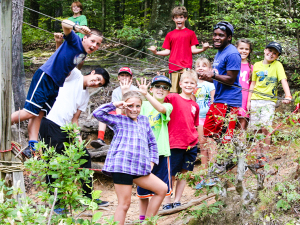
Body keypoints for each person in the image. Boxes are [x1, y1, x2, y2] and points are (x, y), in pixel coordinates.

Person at [11, 20, 103, 158]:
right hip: (46, 76)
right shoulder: (75, 40)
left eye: (98, 44)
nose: (94, 45)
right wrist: (77, 28)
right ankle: (4, 121)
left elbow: (61, 55)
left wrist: (58, 43)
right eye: (93, 41)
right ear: (85, 37)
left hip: (56, 84)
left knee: (40, 113)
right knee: (30, 112)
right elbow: (64, 24)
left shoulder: (83, 54)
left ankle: (32, 145)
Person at [39, 67, 110, 214]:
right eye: (96, 79)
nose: (95, 83)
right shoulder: (74, 76)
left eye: (99, 84)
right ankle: (56, 203)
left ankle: (87, 197)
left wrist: (77, 137)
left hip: (67, 129)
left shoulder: (85, 96)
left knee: (84, 157)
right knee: (53, 163)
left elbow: (75, 118)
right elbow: (64, 60)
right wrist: (62, 43)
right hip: (50, 123)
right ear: (92, 72)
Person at [93, 91, 167, 225]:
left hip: (139, 167)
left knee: (162, 189)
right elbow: (97, 114)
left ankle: (148, 222)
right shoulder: (119, 120)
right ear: (124, 106)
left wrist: (152, 162)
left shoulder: (144, 120)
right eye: (130, 106)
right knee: (124, 204)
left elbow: (152, 143)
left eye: (137, 106)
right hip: (122, 167)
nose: (134, 109)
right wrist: (115, 104)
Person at [247, 41, 292, 168]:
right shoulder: (256, 65)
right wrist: (249, 101)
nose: (271, 54)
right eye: (270, 51)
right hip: (255, 100)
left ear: (277, 56)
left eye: (275, 53)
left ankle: (265, 157)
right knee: (256, 130)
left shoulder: (277, 65)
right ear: (265, 50)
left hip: (268, 101)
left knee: (266, 128)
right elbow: (253, 84)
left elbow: (283, 80)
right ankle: (258, 156)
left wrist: (288, 95)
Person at [148, 6, 211, 93]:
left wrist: (203, 49)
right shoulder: (170, 34)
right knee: (173, 92)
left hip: (186, 67)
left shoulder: (191, 33)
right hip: (173, 67)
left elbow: (193, 50)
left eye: (181, 17)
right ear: (173, 19)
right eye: (176, 17)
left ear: (185, 18)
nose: (179, 20)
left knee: (186, 91)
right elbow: (167, 51)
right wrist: (156, 52)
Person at [135, 76, 173, 217]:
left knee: (161, 190)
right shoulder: (142, 105)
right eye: (157, 86)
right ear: (151, 89)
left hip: (161, 153)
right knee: (143, 191)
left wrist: (146, 95)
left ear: (168, 92)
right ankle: (142, 218)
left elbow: (161, 108)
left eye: (165, 87)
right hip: (144, 153)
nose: (161, 89)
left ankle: (151, 219)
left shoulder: (168, 106)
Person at [164, 70, 199, 208]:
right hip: (175, 143)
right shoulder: (172, 97)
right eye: (186, 82)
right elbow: (160, 103)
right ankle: (167, 201)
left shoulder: (195, 105)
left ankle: (177, 200)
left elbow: (194, 124)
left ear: (196, 86)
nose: (189, 85)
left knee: (184, 174)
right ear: (180, 84)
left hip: (191, 144)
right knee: (171, 174)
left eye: (192, 83)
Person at [90, 67, 138, 148]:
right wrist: (118, 118)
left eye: (127, 75)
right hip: (119, 112)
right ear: (118, 77)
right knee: (104, 114)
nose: (124, 77)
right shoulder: (116, 91)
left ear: (131, 78)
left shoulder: (135, 89)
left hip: (131, 113)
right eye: (122, 75)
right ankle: (100, 138)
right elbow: (116, 106)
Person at [193, 58, 215, 169]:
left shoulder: (210, 84)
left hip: (210, 118)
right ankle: (204, 171)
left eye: (204, 65)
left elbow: (213, 100)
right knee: (202, 145)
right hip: (199, 118)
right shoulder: (194, 84)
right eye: (198, 66)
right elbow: (192, 102)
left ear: (209, 69)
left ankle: (213, 171)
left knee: (211, 144)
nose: (201, 68)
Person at [236, 39, 253, 130]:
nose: (244, 51)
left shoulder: (252, 68)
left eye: (246, 49)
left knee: (242, 126)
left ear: (249, 51)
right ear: (236, 49)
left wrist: (249, 102)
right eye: (241, 48)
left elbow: (252, 86)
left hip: (245, 100)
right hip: (232, 98)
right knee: (229, 125)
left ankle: (241, 144)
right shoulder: (232, 64)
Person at [67, 1, 88, 70]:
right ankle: (71, 71)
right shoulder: (69, 19)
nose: (75, 8)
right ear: (72, 9)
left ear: (81, 9)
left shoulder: (82, 17)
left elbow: (82, 27)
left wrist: (74, 29)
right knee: (71, 57)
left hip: (81, 39)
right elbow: (67, 30)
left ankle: (78, 71)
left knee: (80, 60)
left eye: (77, 7)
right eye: (74, 7)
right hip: (72, 39)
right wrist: (77, 28)